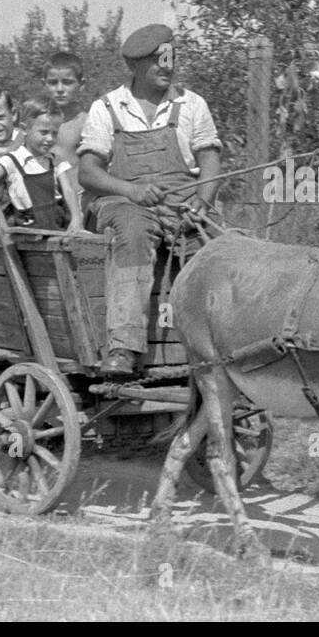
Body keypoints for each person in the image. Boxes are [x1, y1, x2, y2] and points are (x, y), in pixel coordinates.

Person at [77, 23, 222, 377]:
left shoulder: (191, 104)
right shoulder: (107, 108)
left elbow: (210, 160)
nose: (167, 68)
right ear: (135, 67)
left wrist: (202, 203)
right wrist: (133, 192)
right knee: (134, 233)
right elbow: (88, 173)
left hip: (181, 200)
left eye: (171, 60)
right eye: (158, 62)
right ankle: (124, 347)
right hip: (123, 200)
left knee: (219, 246)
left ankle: (222, 343)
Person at [0, 96, 84, 232]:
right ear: (24, 129)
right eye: (44, 132)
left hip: (55, 226)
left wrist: (76, 218)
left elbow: (68, 190)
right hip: (26, 230)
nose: (50, 139)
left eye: (54, 133)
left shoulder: (55, 161)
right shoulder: (11, 160)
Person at [43, 52, 88, 168]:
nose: (59, 89)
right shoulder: (35, 122)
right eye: (53, 83)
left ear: (81, 84)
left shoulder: (87, 123)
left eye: (67, 82)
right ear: (44, 84)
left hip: (76, 185)